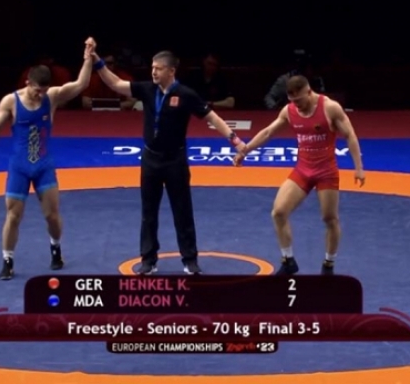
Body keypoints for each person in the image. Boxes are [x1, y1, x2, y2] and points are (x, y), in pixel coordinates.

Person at [91, 48, 246, 275]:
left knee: (183, 211)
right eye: (152, 68)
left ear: (171, 71)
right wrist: (97, 61)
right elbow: (115, 83)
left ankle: (190, 259)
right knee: (148, 212)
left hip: (175, 160)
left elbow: (212, 117)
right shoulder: (147, 89)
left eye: (158, 68)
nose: (153, 72)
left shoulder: (186, 94)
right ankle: (148, 259)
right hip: (150, 159)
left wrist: (236, 141)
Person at [0, 37, 96, 280]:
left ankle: (55, 248)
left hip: (43, 165)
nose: (40, 95)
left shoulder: (51, 97)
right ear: (27, 83)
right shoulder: (11, 101)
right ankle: (7, 261)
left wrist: (87, 58)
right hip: (19, 166)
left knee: (51, 215)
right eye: (36, 90)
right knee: (13, 215)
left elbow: (81, 84)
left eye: (43, 91)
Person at [234, 75, 365, 275]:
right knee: (278, 212)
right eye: (292, 101)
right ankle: (288, 261)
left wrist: (359, 168)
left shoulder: (330, 108)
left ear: (309, 92)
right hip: (303, 169)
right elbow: (268, 132)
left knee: (329, 218)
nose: (297, 105)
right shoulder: (289, 111)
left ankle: (328, 264)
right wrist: (245, 150)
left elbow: (350, 135)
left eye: (299, 100)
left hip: (326, 172)